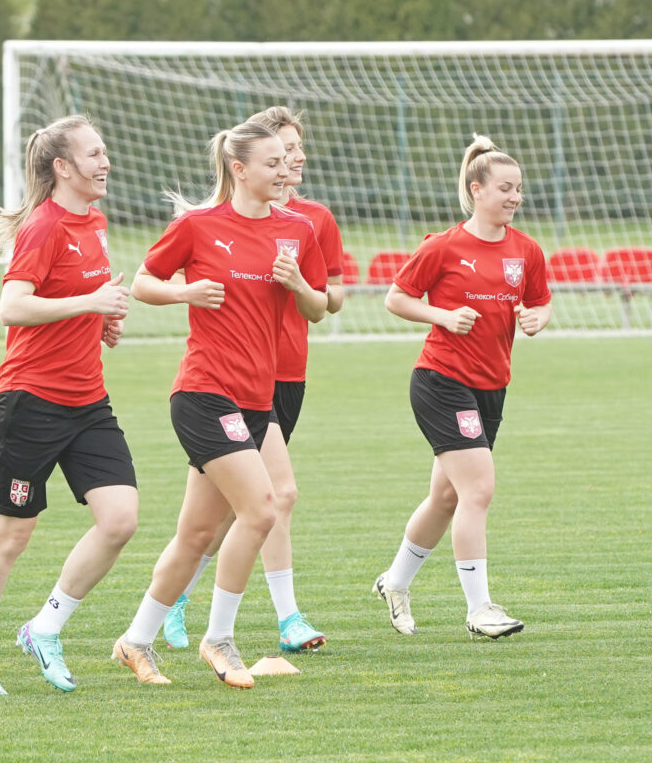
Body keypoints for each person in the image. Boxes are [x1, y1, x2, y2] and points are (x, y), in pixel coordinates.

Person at [110, 118, 329, 689]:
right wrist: (185, 291)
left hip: (259, 401)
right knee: (262, 508)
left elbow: (317, 308)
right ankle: (219, 638)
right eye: (273, 163)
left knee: (196, 536)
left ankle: (134, 641)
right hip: (205, 393)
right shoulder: (199, 226)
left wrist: (298, 284)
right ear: (239, 169)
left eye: (288, 161)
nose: (285, 171)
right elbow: (143, 283)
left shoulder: (297, 231)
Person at [0, 116, 137, 696]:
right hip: (29, 403)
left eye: (105, 152)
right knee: (11, 538)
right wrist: (89, 300)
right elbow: (13, 306)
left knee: (120, 520)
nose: (105, 162)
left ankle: (45, 626)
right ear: (62, 167)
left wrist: (102, 318)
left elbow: (77, 299)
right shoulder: (44, 226)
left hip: (89, 402)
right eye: (94, 153)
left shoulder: (95, 223)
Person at [163, 106, 345, 654]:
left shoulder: (312, 222)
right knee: (269, 498)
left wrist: (297, 285)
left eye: (296, 150)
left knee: (240, 507)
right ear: (251, 162)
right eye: (283, 150)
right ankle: (280, 617)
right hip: (227, 381)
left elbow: (331, 298)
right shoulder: (215, 224)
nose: (295, 159)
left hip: (284, 376)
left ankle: (172, 602)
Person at [371, 135, 550, 640]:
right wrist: (443, 316)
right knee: (479, 488)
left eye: (518, 189)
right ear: (477, 190)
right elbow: (396, 298)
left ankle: (396, 582)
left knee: (446, 497)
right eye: (505, 189)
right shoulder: (443, 246)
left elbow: (541, 302)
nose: (514, 198)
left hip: (491, 385)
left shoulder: (526, 250)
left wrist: (537, 319)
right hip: (441, 380)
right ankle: (480, 610)